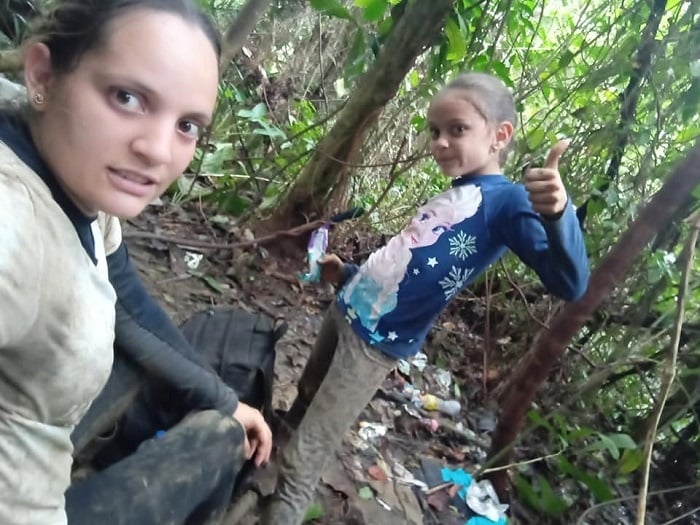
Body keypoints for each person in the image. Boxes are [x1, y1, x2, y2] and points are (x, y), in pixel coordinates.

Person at [261, 71, 590, 525]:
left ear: (500, 135)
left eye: (457, 129)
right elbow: (406, 263)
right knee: (306, 394)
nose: (439, 142)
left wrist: (559, 215)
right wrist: (348, 274)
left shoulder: (508, 202)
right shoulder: (456, 192)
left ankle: (283, 505)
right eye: (435, 131)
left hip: (375, 343)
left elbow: (570, 284)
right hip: (348, 307)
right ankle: (267, 457)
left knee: (312, 446)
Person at [0, 1, 272, 524]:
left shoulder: (73, 178)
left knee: (215, 408)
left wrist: (223, 397)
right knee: (219, 441)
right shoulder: (15, 223)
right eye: (127, 98)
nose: (158, 150)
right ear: (42, 74)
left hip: (40, 414)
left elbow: (125, 295)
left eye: (188, 125)